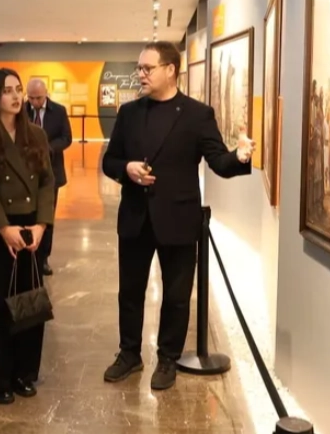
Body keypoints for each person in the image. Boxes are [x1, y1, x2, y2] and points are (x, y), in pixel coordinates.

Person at [101, 41, 254, 391]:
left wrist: (240, 156)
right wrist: (127, 168)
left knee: (176, 295)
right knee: (130, 292)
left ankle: (168, 358)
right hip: (136, 217)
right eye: (139, 68)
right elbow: (109, 161)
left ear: (170, 70)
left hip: (178, 219)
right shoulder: (129, 113)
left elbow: (218, 161)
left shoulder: (197, 115)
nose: (140, 74)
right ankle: (129, 353)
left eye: (147, 68)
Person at [0, 68, 55, 404]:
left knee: (30, 305)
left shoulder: (36, 135)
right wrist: (3, 228)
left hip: (32, 230)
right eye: (7, 91)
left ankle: (24, 373)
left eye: (18, 89)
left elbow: (47, 182)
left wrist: (41, 225)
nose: (16, 96)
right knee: (0, 307)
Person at [25, 78, 72, 275]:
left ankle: (43, 258)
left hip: (51, 171)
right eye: (31, 98)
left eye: (38, 98)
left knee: (47, 217)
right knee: (28, 215)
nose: (34, 102)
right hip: (26, 172)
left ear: (46, 94)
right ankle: (28, 256)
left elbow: (66, 138)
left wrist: (48, 149)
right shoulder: (22, 111)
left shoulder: (59, 111)